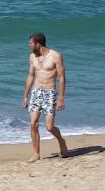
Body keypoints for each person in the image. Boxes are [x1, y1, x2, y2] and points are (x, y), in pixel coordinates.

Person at [22, 32, 69, 162]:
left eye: (31, 44)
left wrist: (61, 98)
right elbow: (31, 75)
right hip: (36, 92)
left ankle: (61, 141)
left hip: (50, 93)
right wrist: (26, 94)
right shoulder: (32, 57)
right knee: (33, 124)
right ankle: (36, 153)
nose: (29, 46)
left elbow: (62, 78)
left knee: (49, 127)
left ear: (38, 44)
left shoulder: (55, 56)